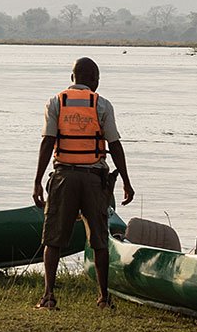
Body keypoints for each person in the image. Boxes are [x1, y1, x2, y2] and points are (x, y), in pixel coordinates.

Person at [30, 56, 134, 309]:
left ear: (72, 77)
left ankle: (48, 297)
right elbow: (115, 145)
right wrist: (127, 182)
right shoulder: (102, 105)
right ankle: (103, 298)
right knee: (99, 240)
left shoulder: (56, 102)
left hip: (63, 177)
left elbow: (47, 142)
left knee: (53, 239)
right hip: (93, 180)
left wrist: (36, 182)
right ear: (95, 80)